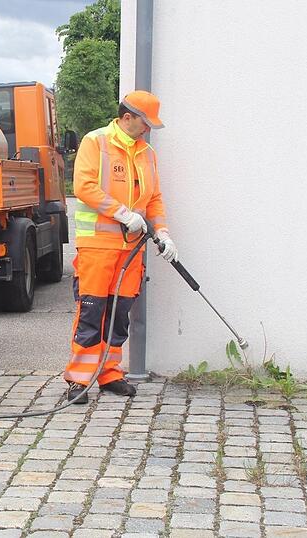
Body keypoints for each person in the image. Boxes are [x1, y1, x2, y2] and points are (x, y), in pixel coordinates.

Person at [64, 90, 179, 403]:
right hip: (98, 246)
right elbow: (83, 186)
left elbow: (153, 199)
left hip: (131, 249)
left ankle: (109, 373)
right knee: (91, 311)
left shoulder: (147, 154)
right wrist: (123, 213)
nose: (149, 129)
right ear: (127, 117)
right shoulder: (96, 142)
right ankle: (79, 379)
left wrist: (164, 234)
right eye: (146, 122)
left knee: (119, 312)